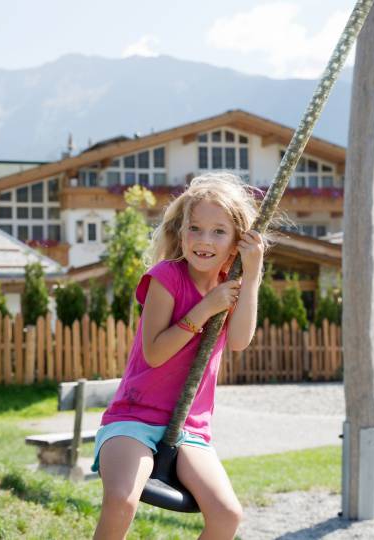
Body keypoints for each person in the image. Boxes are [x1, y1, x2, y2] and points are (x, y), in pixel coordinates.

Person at [92, 172, 268, 539]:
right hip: (134, 416)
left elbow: (238, 341)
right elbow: (155, 353)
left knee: (227, 516)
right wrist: (204, 310)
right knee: (123, 500)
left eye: (219, 232)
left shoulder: (229, 289)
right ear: (182, 232)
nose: (204, 241)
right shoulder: (166, 278)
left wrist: (251, 277)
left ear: (237, 242)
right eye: (195, 229)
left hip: (189, 428)